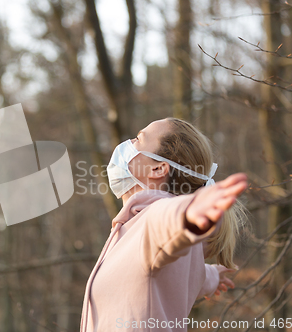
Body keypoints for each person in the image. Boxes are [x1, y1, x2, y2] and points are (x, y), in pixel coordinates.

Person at [79, 117, 248, 332]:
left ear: (158, 169)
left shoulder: (153, 220)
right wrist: (209, 277)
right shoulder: (141, 233)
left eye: (139, 139)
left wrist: (188, 211)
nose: (128, 143)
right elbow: (171, 277)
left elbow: (166, 221)